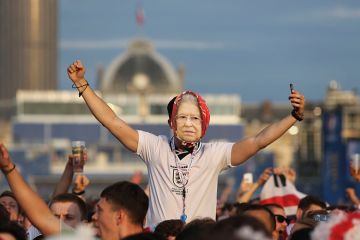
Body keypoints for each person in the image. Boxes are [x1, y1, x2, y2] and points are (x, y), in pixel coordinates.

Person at [67, 60, 306, 228]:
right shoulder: (155, 147)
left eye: (195, 118)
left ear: (204, 125)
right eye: (182, 117)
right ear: (172, 122)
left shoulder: (215, 154)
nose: (189, 124)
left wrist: (294, 116)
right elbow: (113, 122)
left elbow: (258, 141)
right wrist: (82, 84)